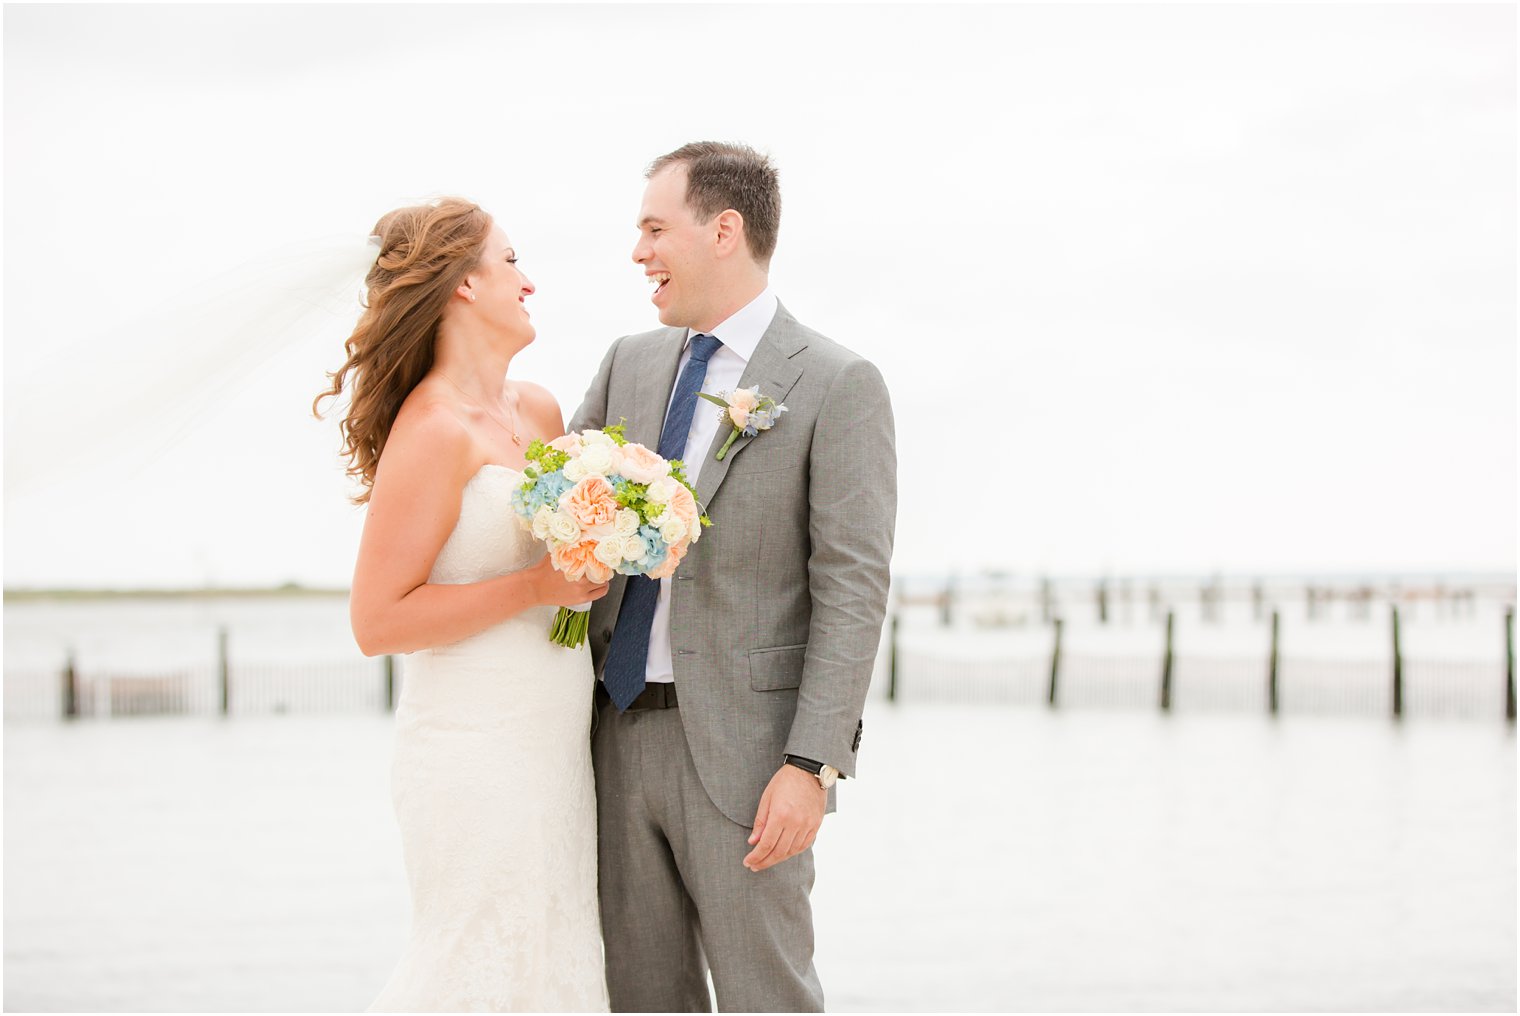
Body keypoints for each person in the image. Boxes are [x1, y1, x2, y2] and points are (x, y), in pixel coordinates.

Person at [569, 142, 897, 1012]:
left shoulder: (837, 382)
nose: (639, 252)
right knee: (640, 998)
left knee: (769, 998)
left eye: (653, 228)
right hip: (614, 736)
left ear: (724, 229)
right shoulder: (626, 363)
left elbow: (853, 588)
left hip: (752, 762)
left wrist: (810, 764)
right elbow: (560, 519)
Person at [314, 198, 611, 1012]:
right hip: (473, 750)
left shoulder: (540, 412)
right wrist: (536, 589)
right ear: (463, 285)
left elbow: (561, 553)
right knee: (479, 961)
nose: (529, 281)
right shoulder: (434, 430)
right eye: (512, 261)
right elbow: (377, 622)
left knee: (551, 956)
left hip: (553, 744)